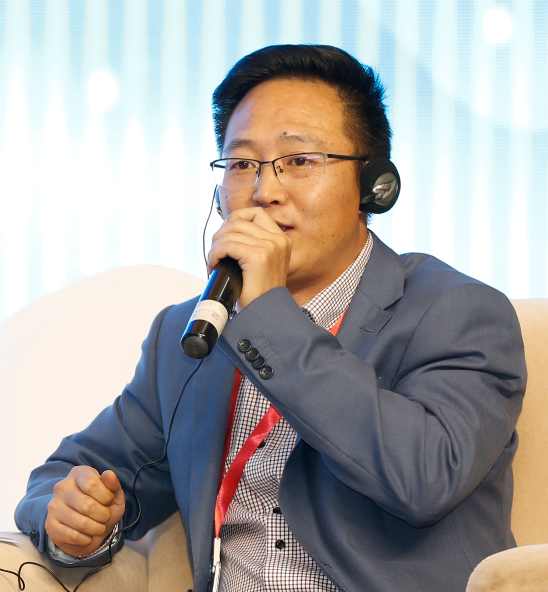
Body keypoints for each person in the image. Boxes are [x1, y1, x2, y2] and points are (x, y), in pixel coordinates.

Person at [15, 45, 526, 592]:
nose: (264, 192)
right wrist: (71, 518)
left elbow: (423, 478)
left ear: (373, 186)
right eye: (242, 165)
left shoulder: (458, 312)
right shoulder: (192, 332)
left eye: (299, 161)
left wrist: (268, 318)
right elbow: (65, 477)